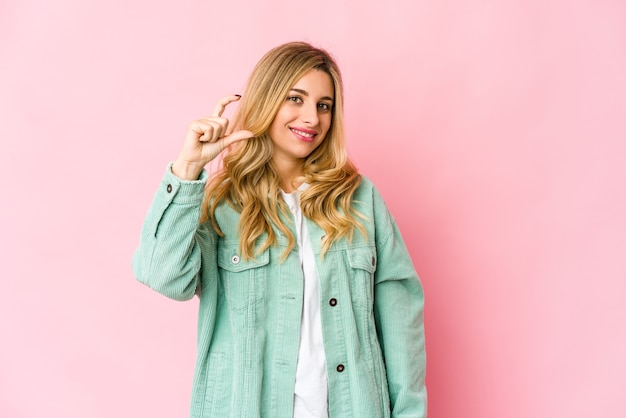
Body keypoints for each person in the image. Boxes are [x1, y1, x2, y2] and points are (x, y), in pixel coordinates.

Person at [132, 41, 426, 418]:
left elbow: (402, 321)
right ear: (267, 100)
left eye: (324, 105)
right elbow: (162, 275)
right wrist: (187, 170)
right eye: (295, 98)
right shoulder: (222, 203)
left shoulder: (359, 200)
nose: (312, 118)